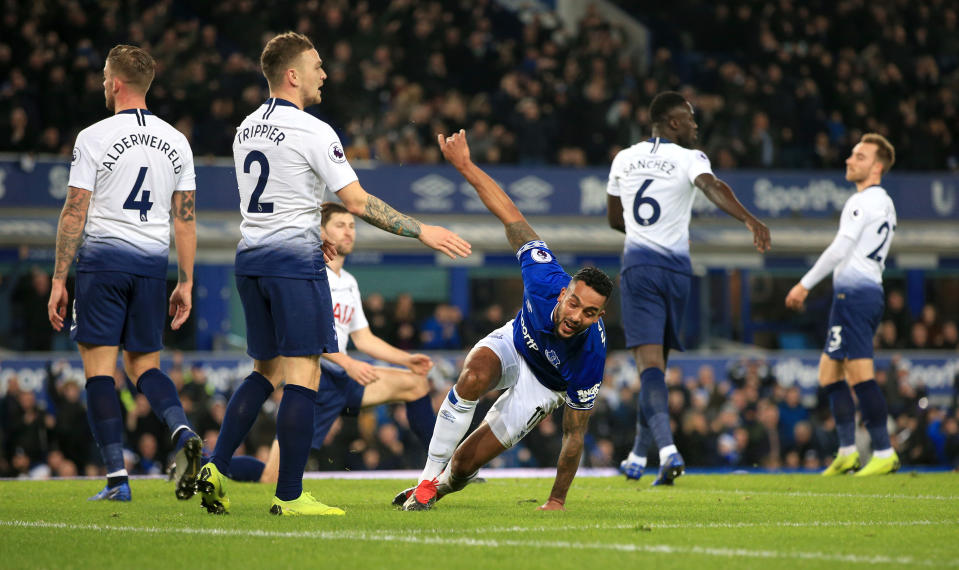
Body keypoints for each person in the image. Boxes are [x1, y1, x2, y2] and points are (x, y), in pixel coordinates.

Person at [196, 32, 470, 517]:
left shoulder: (245, 128)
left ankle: (215, 465)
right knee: (303, 375)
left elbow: (277, 194)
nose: (325, 74)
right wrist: (422, 230)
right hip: (293, 263)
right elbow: (358, 202)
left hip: (250, 258)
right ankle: (290, 496)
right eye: (317, 66)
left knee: (265, 371)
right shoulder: (314, 131)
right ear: (292, 74)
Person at [394, 130, 613, 512]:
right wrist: (464, 165)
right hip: (515, 344)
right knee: (474, 376)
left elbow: (574, 434)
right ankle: (425, 482)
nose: (577, 317)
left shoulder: (591, 355)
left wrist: (557, 500)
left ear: (599, 317)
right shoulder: (545, 277)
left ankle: (442, 485)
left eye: (589, 313)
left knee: (464, 465)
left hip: (544, 388)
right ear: (563, 294)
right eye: (574, 304)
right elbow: (509, 212)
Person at [46, 45, 203, 502]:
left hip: (103, 262)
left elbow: (75, 210)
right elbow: (186, 220)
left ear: (115, 82)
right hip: (152, 265)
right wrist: (187, 281)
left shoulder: (93, 136)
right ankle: (180, 429)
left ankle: (117, 479)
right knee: (144, 366)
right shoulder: (177, 141)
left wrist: (59, 278)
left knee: (100, 370)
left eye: (103, 76)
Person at [607, 91, 771, 485]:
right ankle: (636, 455)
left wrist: (647, 234)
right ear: (673, 122)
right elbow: (712, 186)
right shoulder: (689, 158)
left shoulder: (623, 158)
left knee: (648, 368)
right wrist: (749, 219)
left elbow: (615, 220)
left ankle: (666, 450)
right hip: (678, 270)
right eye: (691, 119)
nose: (697, 125)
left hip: (640, 268)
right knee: (657, 370)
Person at [253, 202, 437, 483]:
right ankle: (205, 465)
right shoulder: (309, 274)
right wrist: (349, 363)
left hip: (344, 377)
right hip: (315, 379)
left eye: (352, 226)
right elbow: (305, 334)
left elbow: (363, 338)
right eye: (340, 225)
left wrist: (405, 359)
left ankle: (443, 469)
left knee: (416, 384)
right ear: (321, 232)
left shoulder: (349, 281)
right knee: (270, 477)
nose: (349, 232)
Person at [785, 133, 900, 476]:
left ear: (877, 167)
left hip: (857, 296)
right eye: (852, 155)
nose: (850, 160)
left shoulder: (863, 201)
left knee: (859, 373)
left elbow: (839, 248)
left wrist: (804, 285)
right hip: (853, 295)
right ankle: (848, 451)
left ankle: (883, 451)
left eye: (860, 157)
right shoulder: (885, 203)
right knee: (829, 371)